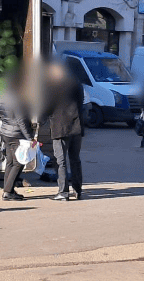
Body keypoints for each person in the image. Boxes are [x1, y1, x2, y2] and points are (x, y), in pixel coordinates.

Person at [45, 61, 84, 201]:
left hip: (60, 127)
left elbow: (47, 107)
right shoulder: (78, 85)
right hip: (76, 127)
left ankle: (63, 192)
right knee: (75, 160)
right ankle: (78, 190)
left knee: (60, 160)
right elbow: (81, 104)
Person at [0, 73, 35, 201]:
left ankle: (8, 189)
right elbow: (21, 120)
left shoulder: (1, 97)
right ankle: (8, 192)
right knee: (18, 162)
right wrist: (30, 138)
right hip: (16, 134)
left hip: (6, 133)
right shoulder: (18, 99)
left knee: (10, 162)